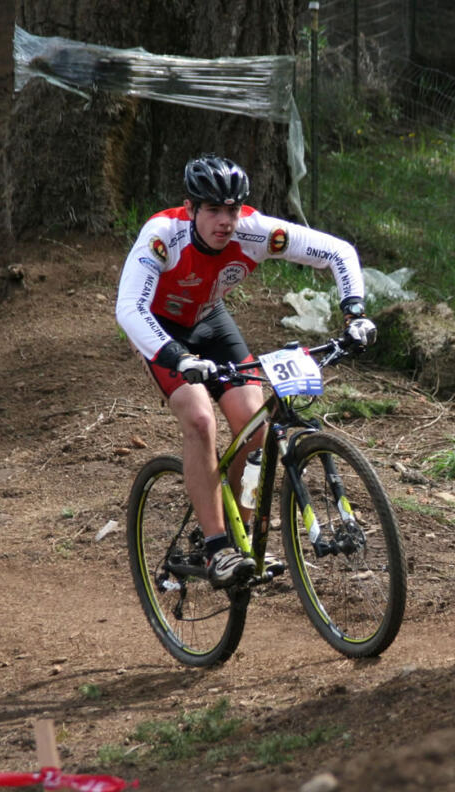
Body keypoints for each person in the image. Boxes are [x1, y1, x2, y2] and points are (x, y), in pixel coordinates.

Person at [115, 154, 377, 586]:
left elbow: (337, 252)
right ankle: (218, 549)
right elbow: (129, 308)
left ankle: (244, 540)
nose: (225, 221)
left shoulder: (255, 232)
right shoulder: (162, 236)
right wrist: (175, 357)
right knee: (200, 420)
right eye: (214, 210)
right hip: (160, 329)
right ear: (191, 207)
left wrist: (355, 313)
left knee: (256, 427)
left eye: (232, 209)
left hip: (210, 319)